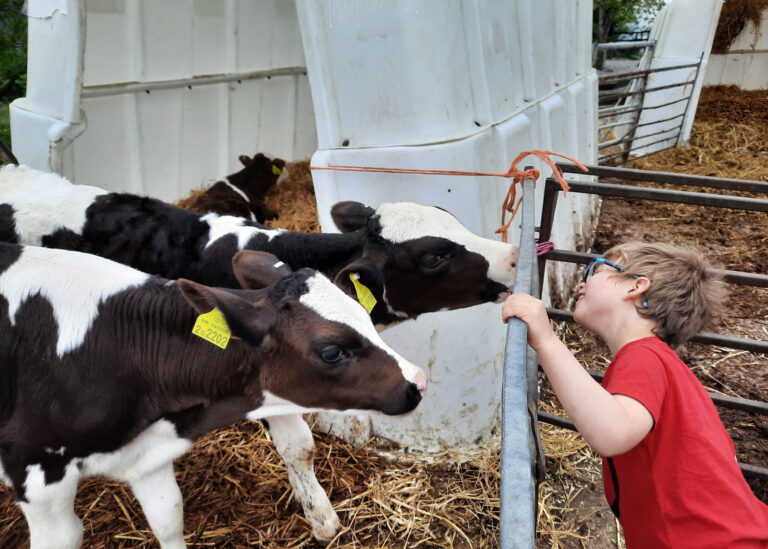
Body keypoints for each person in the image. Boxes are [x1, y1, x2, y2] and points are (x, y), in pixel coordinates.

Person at [501, 241, 768, 548]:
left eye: (595, 270)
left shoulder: (645, 357)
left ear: (636, 286)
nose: (581, 282)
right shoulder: (657, 362)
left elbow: (612, 432)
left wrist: (547, 341)